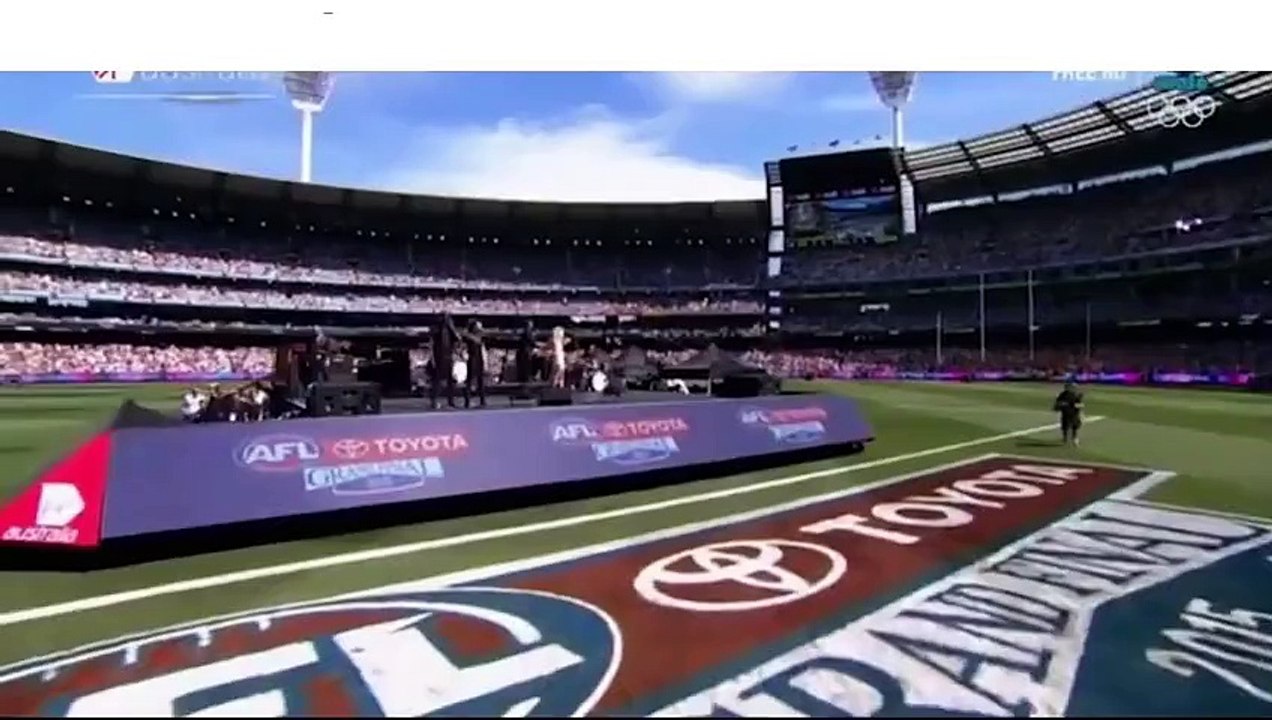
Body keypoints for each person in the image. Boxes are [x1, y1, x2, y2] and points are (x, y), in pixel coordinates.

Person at [428, 314, 458, 409]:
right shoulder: (436, 330)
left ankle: (450, 401)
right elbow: (432, 344)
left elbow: (457, 339)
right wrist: (432, 358)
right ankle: (434, 400)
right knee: (438, 380)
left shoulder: (450, 331)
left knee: (449, 381)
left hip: (447, 356)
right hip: (439, 357)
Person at [460, 319, 487, 408]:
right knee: (471, 381)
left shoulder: (478, 336)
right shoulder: (471, 336)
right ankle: (468, 401)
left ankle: (482, 400)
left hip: (478, 359)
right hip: (473, 359)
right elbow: (464, 334)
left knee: (480, 381)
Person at [1053, 380, 1085, 446]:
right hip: (1066, 414)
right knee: (1065, 427)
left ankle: (1075, 438)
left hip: (1074, 414)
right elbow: (1058, 404)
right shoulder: (1062, 395)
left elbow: (1080, 405)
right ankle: (1065, 438)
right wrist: (1058, 406)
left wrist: (1075, 406)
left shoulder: (1076, 395)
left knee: (1074, 427)